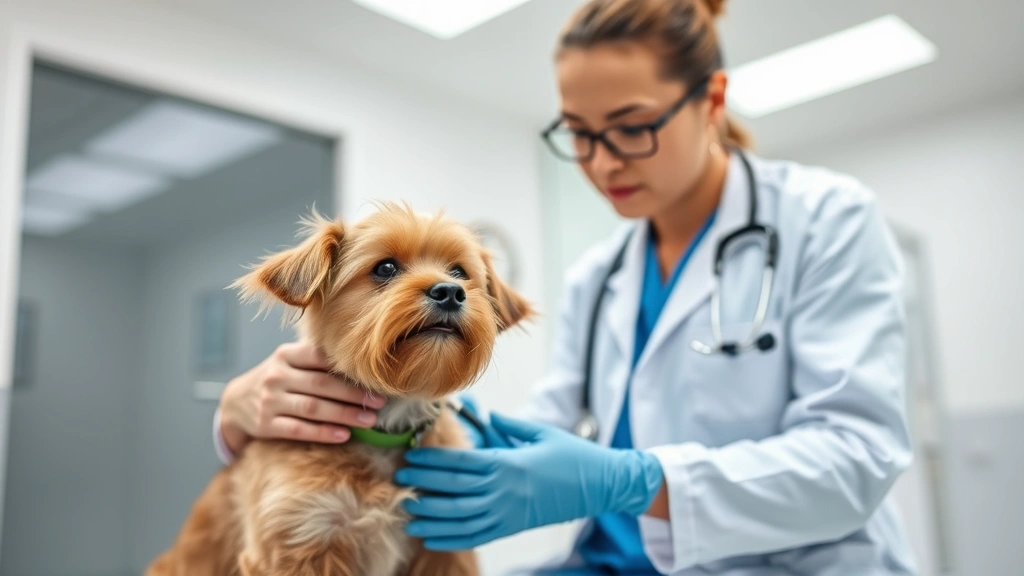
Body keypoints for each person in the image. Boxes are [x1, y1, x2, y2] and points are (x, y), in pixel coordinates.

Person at [213, 0, 918, 573]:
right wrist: (261, 415)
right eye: (578, 133)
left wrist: (632, 480)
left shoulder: (827, 219)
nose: (602, 160)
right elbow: (546, 429)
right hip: (610, 563)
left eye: (631, 127)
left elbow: (857, 458)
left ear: (712, 101)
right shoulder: (602, 272)